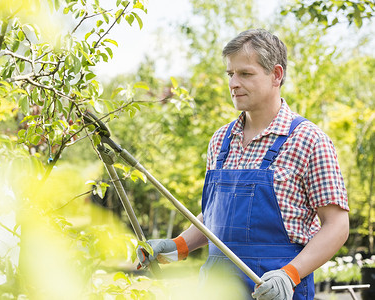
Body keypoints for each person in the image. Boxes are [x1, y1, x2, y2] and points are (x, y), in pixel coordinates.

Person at [137, 29, 349, 300]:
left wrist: (290, 274)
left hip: (276, 290)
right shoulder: (220, 141)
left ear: (276, 75)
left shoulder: (309, 140)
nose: (234, 83)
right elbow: (217, 216)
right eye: (230, 74)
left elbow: (337, 226)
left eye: (245, 74)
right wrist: (177, 245)